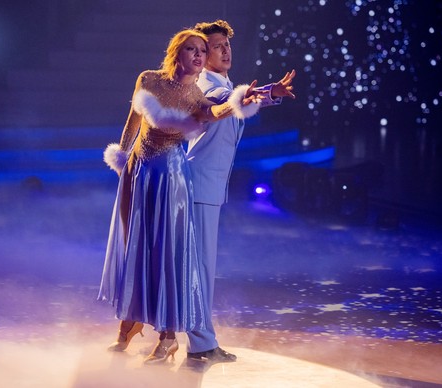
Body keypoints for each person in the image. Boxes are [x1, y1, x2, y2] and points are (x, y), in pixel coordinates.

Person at [98, 28, 261, 363]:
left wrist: (238, 102)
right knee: (135, 247)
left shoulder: (195, 96)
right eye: (192, 49)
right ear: (177, 53)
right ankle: (129, 323)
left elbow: (214, 113)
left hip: (171, 179)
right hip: (139, 172)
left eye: (203, 51)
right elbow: (132, 120)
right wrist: (123, 157)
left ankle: (168, 336)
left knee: (165, 254)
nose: (199, 56)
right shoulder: (149, 79)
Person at [184, 20, 296, 364]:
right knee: (198, 268)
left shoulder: (223, 83)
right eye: (216, 47)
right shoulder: (206, 84)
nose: (225, 51)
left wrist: (269, 95)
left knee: (200, 266)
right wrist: (261, 94)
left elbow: (239, 100)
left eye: (226, 46)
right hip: (199, 184)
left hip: (209, 185)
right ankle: (200, 343)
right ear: (202, 55)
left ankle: (193, 338)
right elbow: (225, 102)